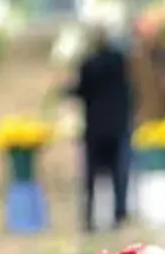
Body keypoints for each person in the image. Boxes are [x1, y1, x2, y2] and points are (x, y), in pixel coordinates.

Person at [65, 25, 132, 232]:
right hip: (117, 124)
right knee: (118, 173)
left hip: (95, 127)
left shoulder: (88, 63)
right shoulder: (120, 61)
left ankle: (89, 217)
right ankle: (118, 213)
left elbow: (81, 90)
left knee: (91, 176)